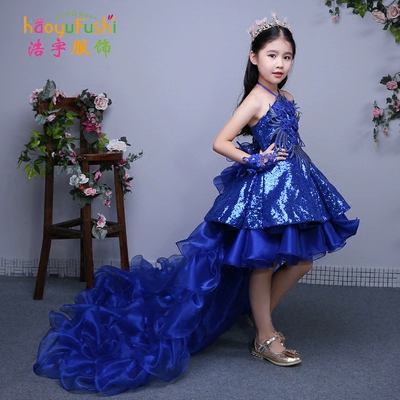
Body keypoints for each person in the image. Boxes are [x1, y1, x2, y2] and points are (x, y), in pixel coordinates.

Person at [33, 14, 359, 395]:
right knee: (263, 263)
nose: (280, 64)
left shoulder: (285, 97)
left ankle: (259, 319)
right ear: (254, 57)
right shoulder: (255, 98)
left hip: (295, 189)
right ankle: (264, 335)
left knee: (301, 260)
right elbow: (221, 142)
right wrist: (256, 159)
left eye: (287, 57)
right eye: (272, 55)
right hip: (266, 191)